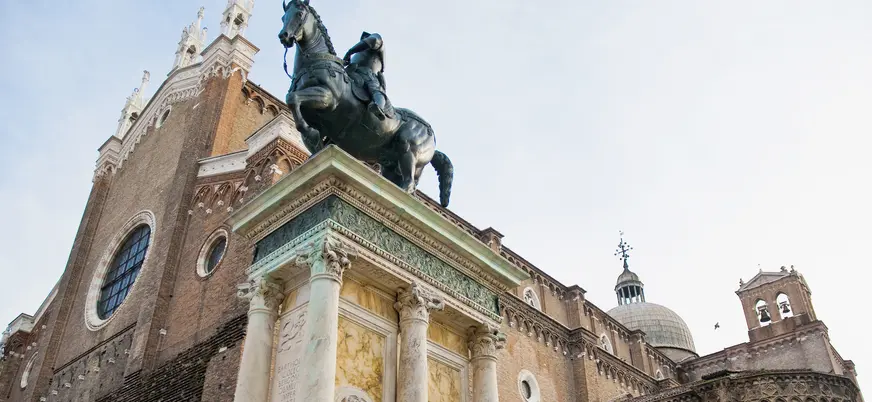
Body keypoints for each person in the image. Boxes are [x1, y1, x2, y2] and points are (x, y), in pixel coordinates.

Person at [343, 32, 393, 120]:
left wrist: (349, 52)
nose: (363, 40)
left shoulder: (376, 40)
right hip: (351, 71)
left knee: (374, 88)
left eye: (365, 38)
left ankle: (378, 106)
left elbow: (373, 40)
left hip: (367, 73)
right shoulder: (360, 51)